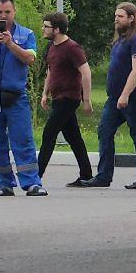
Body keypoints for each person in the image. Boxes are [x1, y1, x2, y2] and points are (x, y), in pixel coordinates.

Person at [90, 2, 136, 189]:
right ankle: (103, 176)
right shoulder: (119, 40)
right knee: (104, 130)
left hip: (134, 96)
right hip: (115, 97)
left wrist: (125, 95)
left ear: (131, 18)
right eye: (116, 16)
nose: (116, 19)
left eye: (120, 16)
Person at [0, 0, 43, 198]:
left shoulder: (25, 34)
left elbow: (30, 58)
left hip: (16, 97)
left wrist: (10, 44)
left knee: (23, 139)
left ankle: (31, 182)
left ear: (14, 11)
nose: (3, 16)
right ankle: (5, 183)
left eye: (7, 12)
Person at [38, 12, 95, 186]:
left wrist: (86, 99)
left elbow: (86, 72)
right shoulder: (51, 47)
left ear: (56, 29)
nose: (43, 29)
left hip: (68, 98)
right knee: (73, 137)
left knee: (49, 133)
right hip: (57, 97)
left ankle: (35, 176)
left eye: (46, 26)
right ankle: (86, 174)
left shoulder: (72, 48)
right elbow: (51, 71)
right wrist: (45, 93)